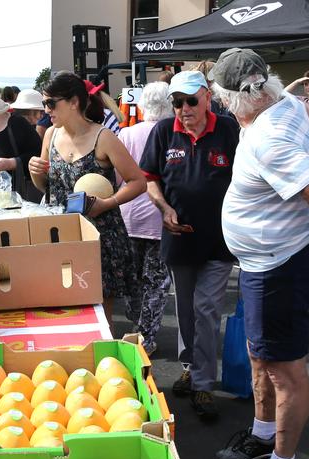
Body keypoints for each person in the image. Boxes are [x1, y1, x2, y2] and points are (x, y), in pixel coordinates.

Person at [210, 48, 309, 459]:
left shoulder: (270, 137)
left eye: (223, 98)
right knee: (261, 354)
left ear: (238, 97)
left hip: (279, 267)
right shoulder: (284, 104)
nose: (222, 107)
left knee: (283, 370)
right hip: (265, 263)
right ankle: (263, 434)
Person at [138, 70, 239, 420]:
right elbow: (149, 179)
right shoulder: (164, 131)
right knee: (185, 308)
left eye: (190, 101)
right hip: (179, 238)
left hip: (219, 239)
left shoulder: (228, 130)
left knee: (207, 310)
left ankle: (203, 384)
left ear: (207, 97)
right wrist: (164, 208)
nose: (183, 109)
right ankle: (190, 365)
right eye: (177, 102)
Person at [28, 71, 147, 324]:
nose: (46, 110)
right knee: (63, 311)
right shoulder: (50, 135)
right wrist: (35, 172)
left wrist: (107, 203)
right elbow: (46, 188)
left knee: (100, 314)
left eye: (51, 103)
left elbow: (138, 182)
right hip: (59, 233)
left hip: (99, 236)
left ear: (74, 102)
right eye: (43, 103)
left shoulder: (103, 137)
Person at [117, 81, 174, 356]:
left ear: (141, 106)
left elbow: (117, 178)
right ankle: (146, 336)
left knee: (134, 276)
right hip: (160, 216)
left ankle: (136, 324)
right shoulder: (173, 133)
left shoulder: (126, 134)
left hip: (129, 215)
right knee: (156, 280)